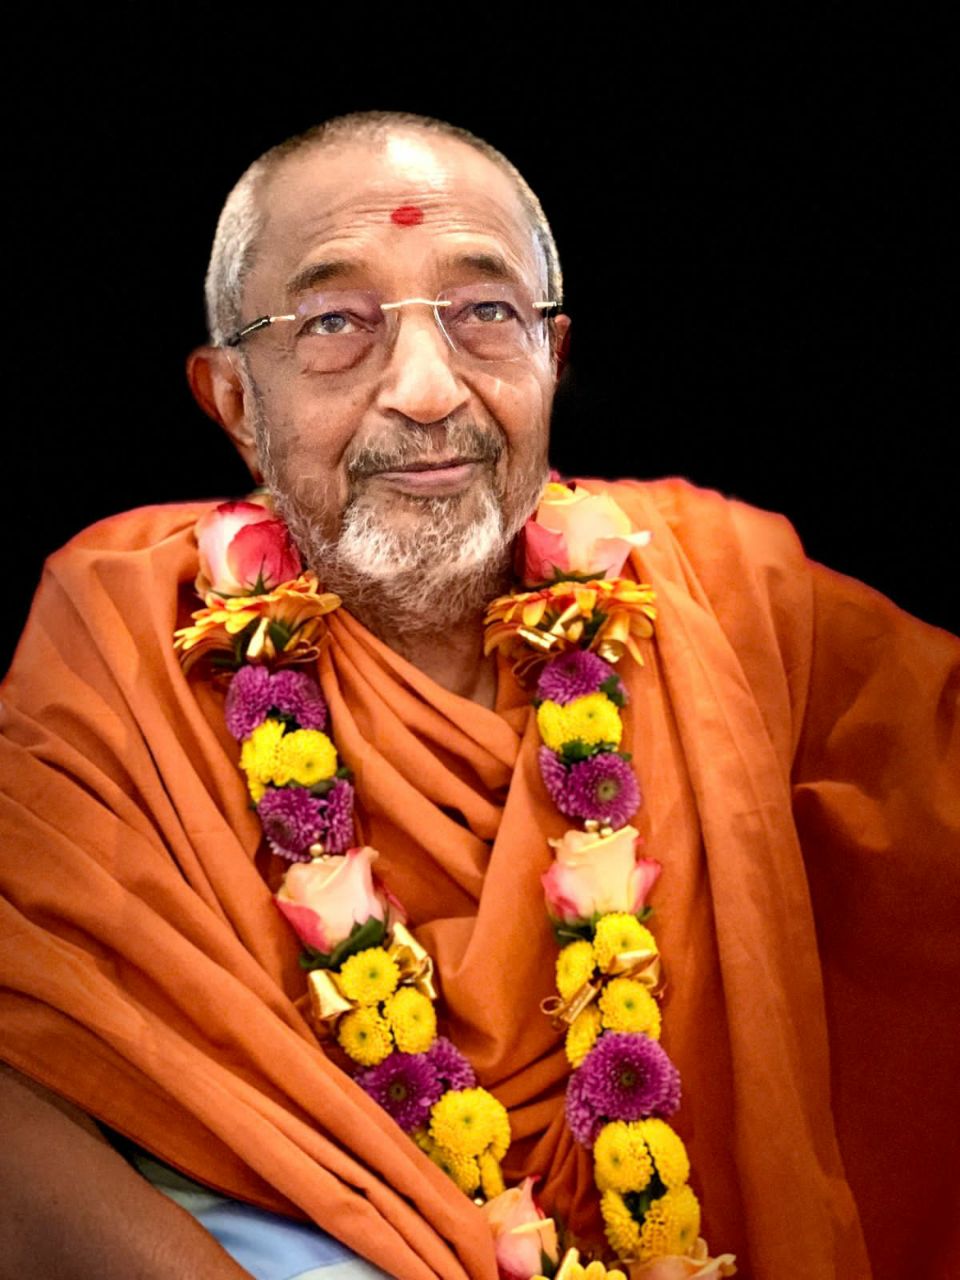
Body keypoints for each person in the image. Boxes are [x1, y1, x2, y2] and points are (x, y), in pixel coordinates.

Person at [0, 111, 957, 1280]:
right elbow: (25, 1063)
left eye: (485, 312)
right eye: (335, 323)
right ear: (237, 402)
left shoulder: (734, 593)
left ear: (552, 355)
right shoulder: (124, 634)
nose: (424, 388)